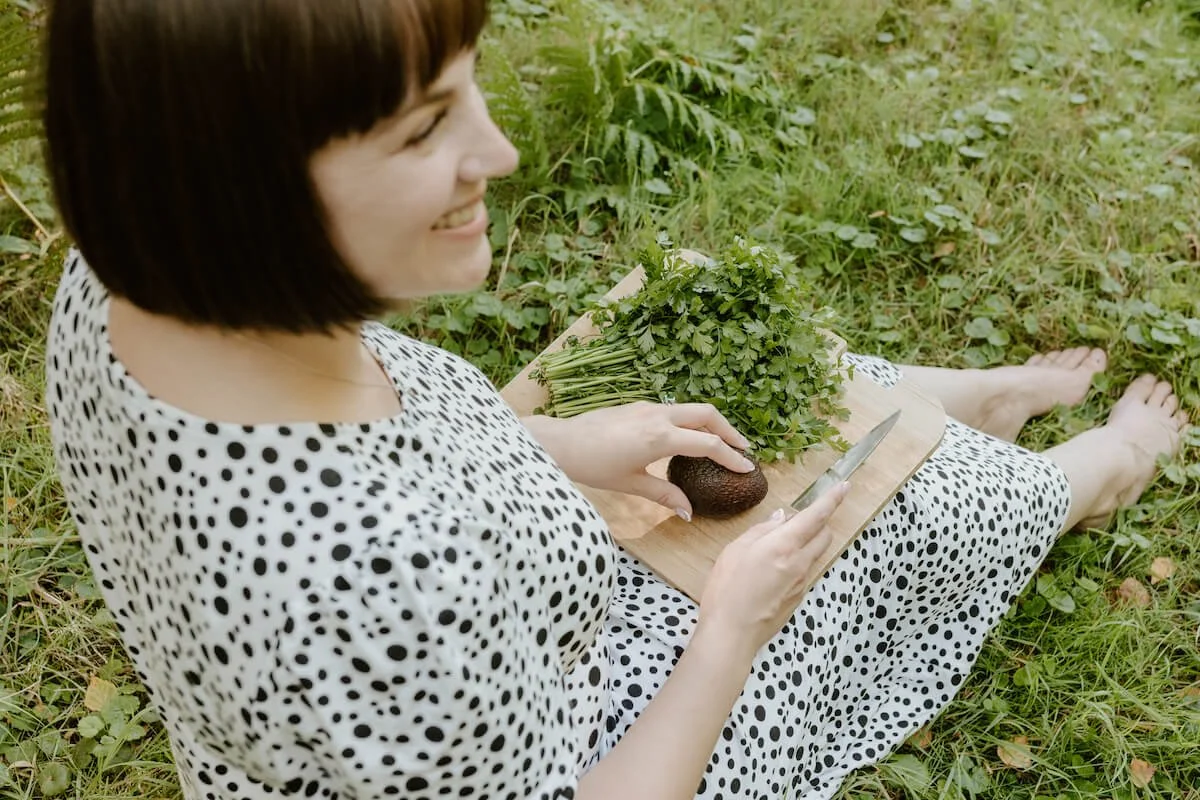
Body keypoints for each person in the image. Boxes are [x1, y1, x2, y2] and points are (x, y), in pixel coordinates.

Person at [40, 1, 1188, 798]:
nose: (498, 150)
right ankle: (1086, 476)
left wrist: (553, 443)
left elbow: (380, 458)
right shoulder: (381, 584)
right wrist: (734, 622)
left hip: (459, 689)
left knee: (788, 409)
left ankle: (966, 405)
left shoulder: (128, 279)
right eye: (427, 127)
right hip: (605, 733)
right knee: (905, 518)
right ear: (239, 191)